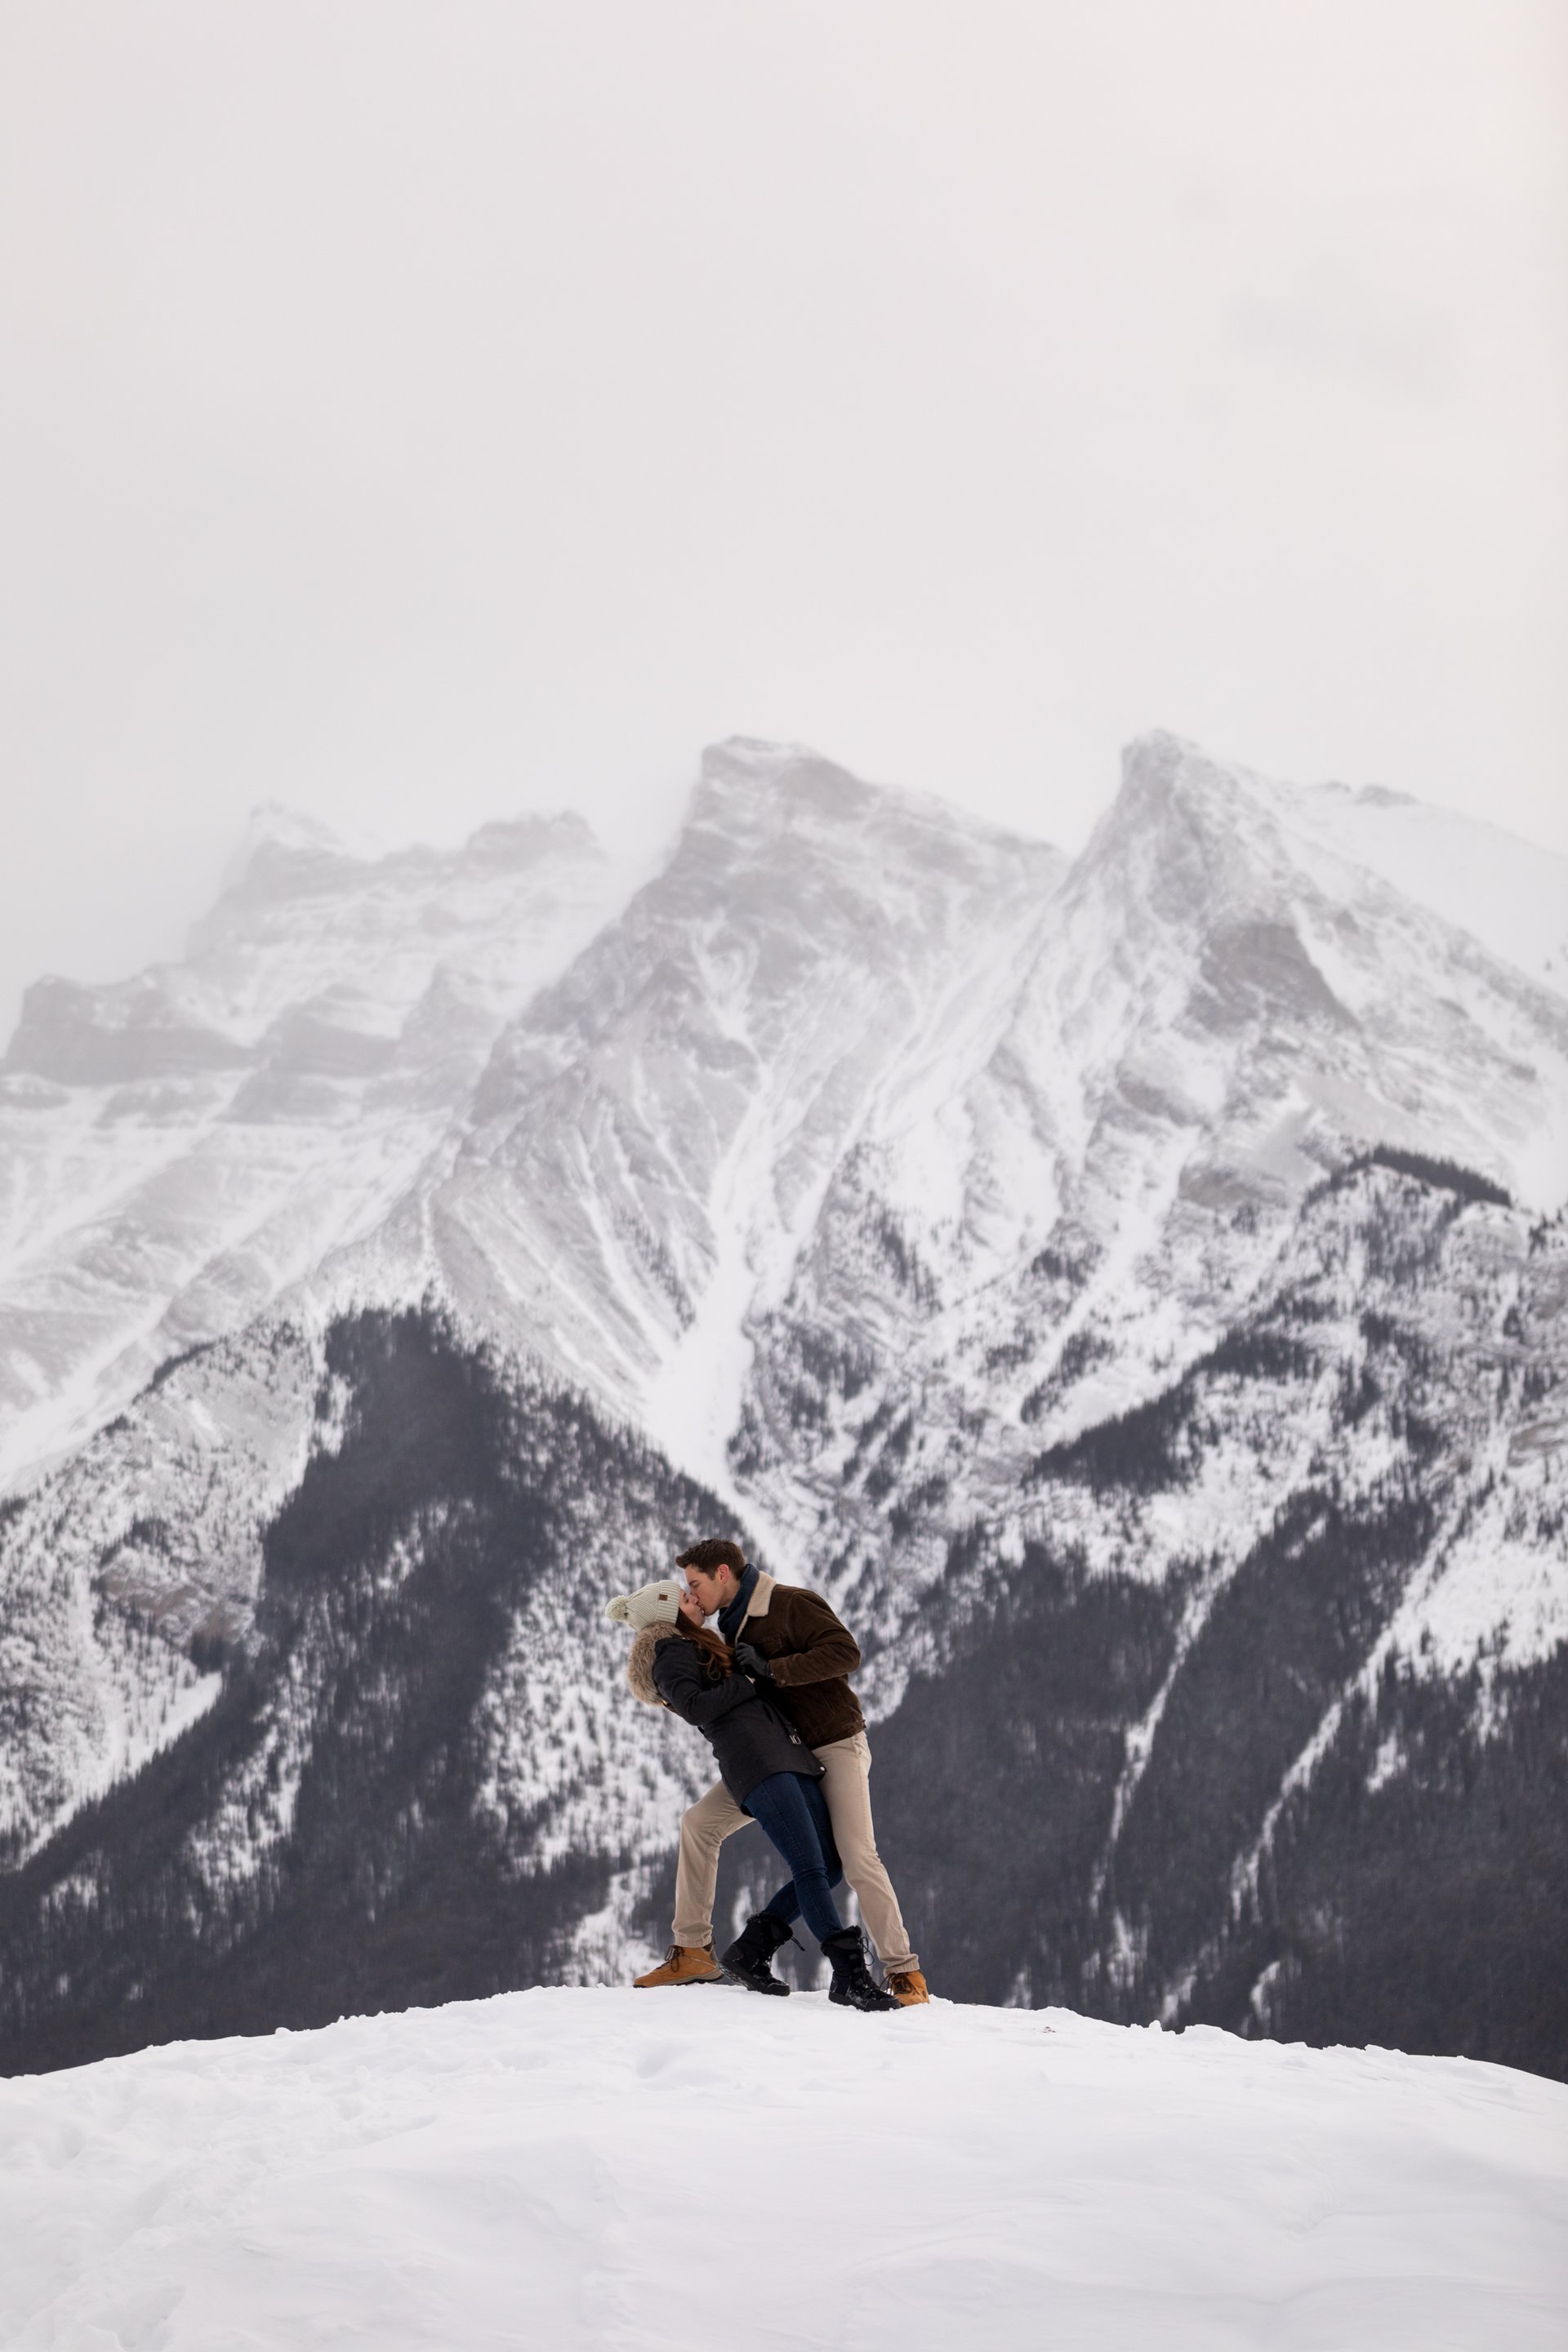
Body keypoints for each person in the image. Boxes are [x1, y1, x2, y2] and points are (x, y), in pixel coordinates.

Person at [630, 1538, 930, 2007]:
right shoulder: (722, 1628)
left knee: (853, 1858)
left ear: (722, 1574)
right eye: (684, 1590)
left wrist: (772, 1669)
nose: (691, 1594)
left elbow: (845, 1652)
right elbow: (699, 1693)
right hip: (776, 1755)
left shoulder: (789, 1604)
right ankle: (696, 1949)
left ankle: (903, 1971)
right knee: (699, 1825)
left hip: (832, 1743)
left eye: (694, 1584)